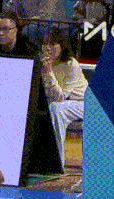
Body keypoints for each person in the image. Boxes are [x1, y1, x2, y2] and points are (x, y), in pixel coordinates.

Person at [40, 28, 87, 177]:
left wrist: (48, 72)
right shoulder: (40, 63)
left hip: (83, 104)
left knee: (56, 108)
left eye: (52, 43)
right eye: (45, 43)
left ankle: (57, 164)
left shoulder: (71, 64)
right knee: (53, 108)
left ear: (62, 46)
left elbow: (60, 97)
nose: (47, 47)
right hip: (60, 105)